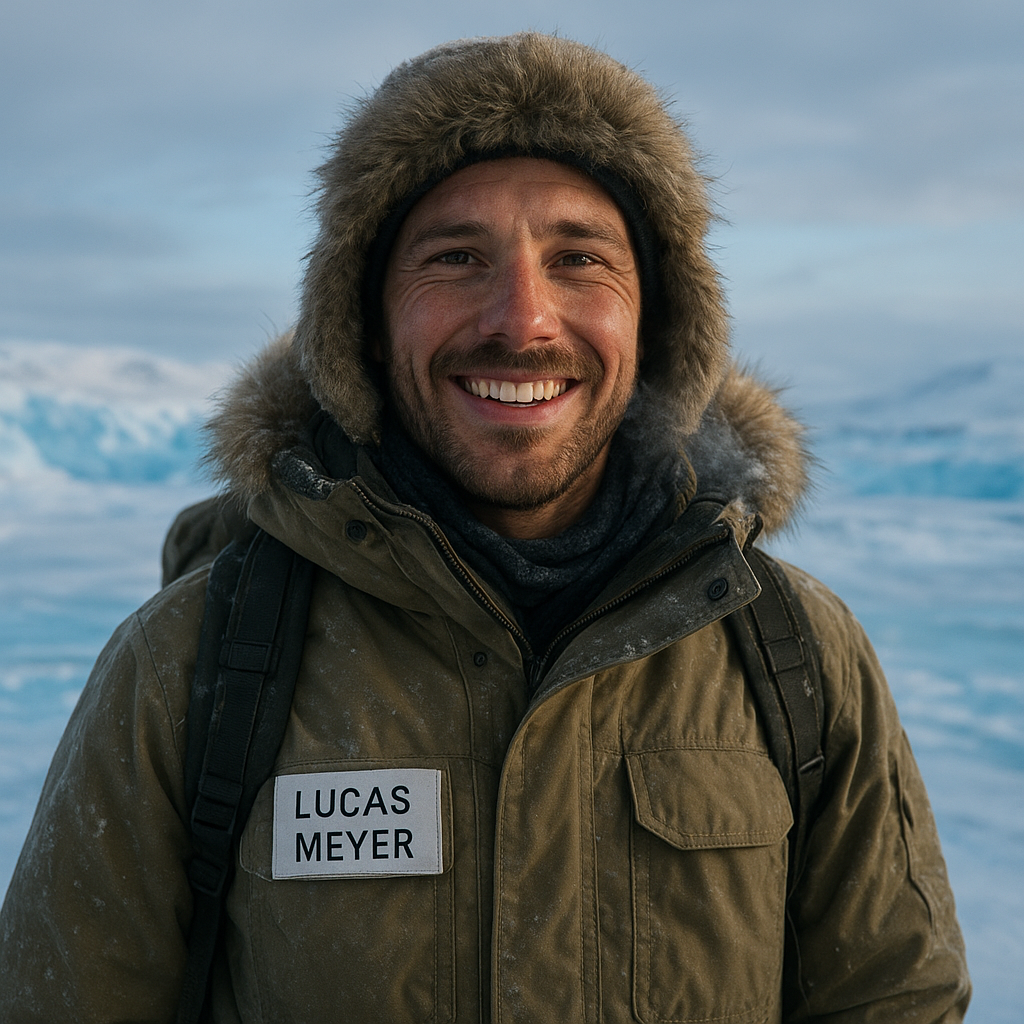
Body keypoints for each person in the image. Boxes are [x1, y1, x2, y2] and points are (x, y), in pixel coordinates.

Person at [0, 32, 970, 1023]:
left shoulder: (797, 656)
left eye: (579, 259)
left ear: (659, 321)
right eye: (455, 258)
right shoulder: (190, 663)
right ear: (364, 325)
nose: (522, 319)